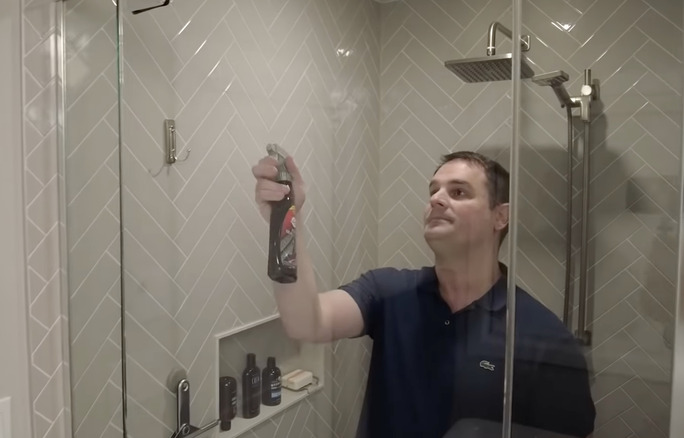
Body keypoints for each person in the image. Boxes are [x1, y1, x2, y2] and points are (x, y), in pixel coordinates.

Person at [252, 150, 596, 438]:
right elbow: (305, 322)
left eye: (458, 192)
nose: (436, 199)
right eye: (433, 190)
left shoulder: (545, 338)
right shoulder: (388, 291)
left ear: (499, 217)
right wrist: (285, 221)